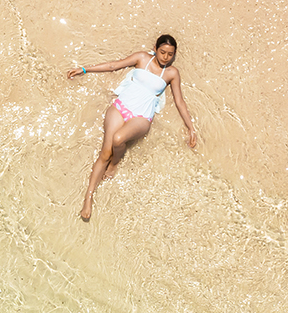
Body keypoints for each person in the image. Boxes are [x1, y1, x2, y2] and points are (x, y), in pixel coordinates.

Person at [67, 34, 196, 221]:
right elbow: (114, 65)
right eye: (162, 52)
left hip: (141, 117)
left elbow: (179, 101)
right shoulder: (142, 57)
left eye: (170, 54)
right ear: (155, 48)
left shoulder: (171, 73)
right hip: (120, 107)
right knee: (105, 151)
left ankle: (116, 162)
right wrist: (85, 69)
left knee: (118, 139)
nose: (165, 57)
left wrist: (191, 127)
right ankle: (88, 197)